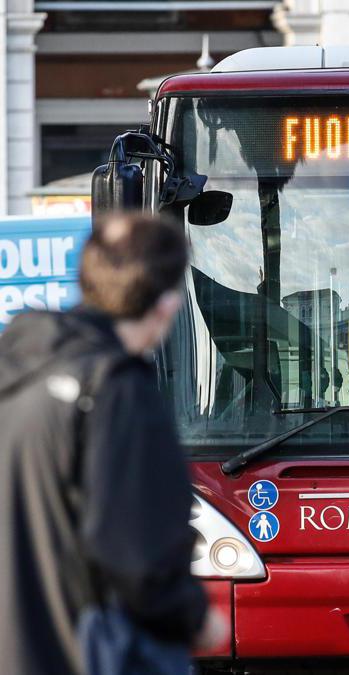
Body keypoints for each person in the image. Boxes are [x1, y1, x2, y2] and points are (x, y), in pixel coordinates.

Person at [0, 214, 227, 674]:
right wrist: (196, 617)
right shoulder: (117, 389)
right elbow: (134, 554)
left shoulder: (17, 372)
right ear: (166, 303)